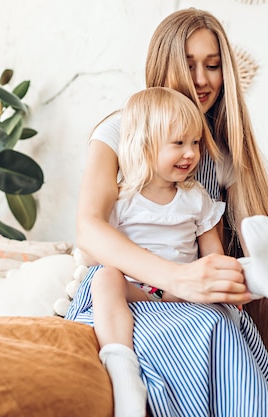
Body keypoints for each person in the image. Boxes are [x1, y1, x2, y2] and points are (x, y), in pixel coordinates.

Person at [66, 7, 268, 417]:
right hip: (128, 292)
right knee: (214, 329)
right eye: (189, 65)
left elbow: (238, 243)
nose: (203, 80)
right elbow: (89, 228)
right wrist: (178, 278)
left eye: (213, 65)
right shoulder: (120, 131)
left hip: (190, 295)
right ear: (161, 64)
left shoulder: (222, 154)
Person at [91, 87, 225, 417]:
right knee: (105, 278)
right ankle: (121, 365)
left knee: (219, 300)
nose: (191, 153)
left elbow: (213, 257)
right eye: (178, 143)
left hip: (183, 294)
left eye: (195, 143)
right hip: (136, 290)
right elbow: (101, 252)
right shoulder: (122, 199)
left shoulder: (196, 197)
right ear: (144, 145)